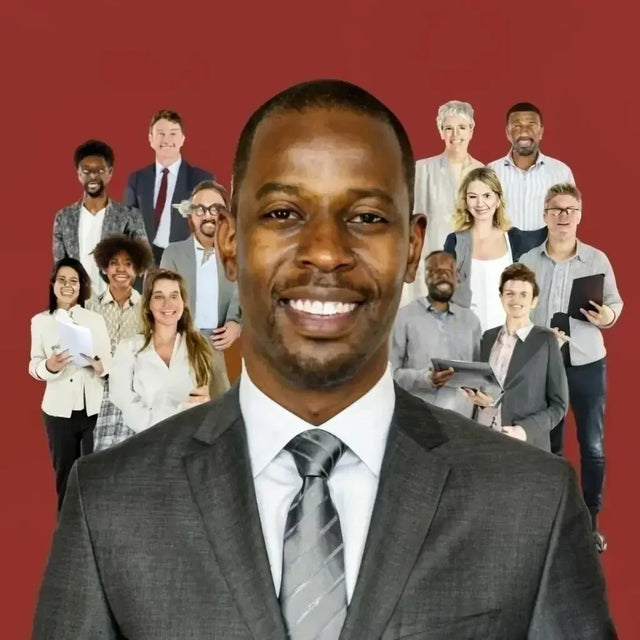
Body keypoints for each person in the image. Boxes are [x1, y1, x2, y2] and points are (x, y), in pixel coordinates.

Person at [33, 80, 615, 639]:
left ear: (413, 248)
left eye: (365, 217)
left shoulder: (532, 506)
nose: (326, 252)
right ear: (230, 243)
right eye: (284, 214)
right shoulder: (108, 505)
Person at [521, 183, 623, 553]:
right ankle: (552, 522)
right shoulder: (529, 262)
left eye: (570, 210)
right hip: (544, 364)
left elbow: (615, 304)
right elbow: (516, 309)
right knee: (549, 446)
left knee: (592, 446)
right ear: (545, 215)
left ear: (580, 215)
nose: (563, 216)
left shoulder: (597, 260)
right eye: (556, 210)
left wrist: (606, 315)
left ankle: (590, 522)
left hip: (587, 363)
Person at [28, 258, 111, 511]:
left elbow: (108, 360)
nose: (67, 285)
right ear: (53, 284)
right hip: (58, 412)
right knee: (65, 476)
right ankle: (67, 536)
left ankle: (92, 532)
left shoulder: (95, 319)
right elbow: (33, 365)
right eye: (62, 280)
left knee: (92, 475)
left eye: (73, 281)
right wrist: (50, 366)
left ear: (81, 287)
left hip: (93, 410)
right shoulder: (41, 321)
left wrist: (99, 365)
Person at [108, 268, 226, 436]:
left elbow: (220, 401)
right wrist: (157, 426)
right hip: (143, 443)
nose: (167, 304)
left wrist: (207, 402)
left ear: (183, 302)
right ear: (148, 304)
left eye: (174, 296)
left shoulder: (202, 347)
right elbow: (121, 397)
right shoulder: (129, 348)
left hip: (189, 444)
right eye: (159, 296)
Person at [464, 263, 569, 451]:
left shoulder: (546, 340)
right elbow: (486, 390)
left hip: (526, 445)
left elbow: (559, 406)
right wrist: (479, 400)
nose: (515, 300)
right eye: (509, 293)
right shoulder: (488, 338)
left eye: (523, 294)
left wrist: (524, 430)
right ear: (501, 297)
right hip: (483, 438)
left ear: (534, 301)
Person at [161, 180, 242, 391]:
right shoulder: (173, 253)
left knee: (220, 417)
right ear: (191, 214)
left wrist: (236, 324)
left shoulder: (239, 254)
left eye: (216, 209)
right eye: (200, 209)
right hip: (182, 346)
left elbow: (245, 293)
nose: (208, 215)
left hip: (222, 348)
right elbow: (161, 299)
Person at [443, 166, 546, 331]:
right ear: (465, 201)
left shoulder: (515, 239)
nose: (480, 203)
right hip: (465, 337)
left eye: (487, 196)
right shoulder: (454, 241)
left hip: (509, 337)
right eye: (472, 197)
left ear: (498, 200)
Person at [400, 100, 483, 307]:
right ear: (441, 132)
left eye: (462, 127)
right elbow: (408, 219)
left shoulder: (484, 172)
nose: (456, 135)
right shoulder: (422, 170)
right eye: (449, 128)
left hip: (472, 261)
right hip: (429, 259)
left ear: (471, 130)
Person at [52, 140, 149, 297]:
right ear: (78, 173)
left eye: (99, 170)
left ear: (110, 172)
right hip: (77, 302)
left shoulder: (129, 216)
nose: (93, 176)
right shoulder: (64, 217)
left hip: (116, 302)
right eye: (86, 171)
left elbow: (144, 263)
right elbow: (60, 267)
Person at [391, 250, 480, 418]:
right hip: (419, 419)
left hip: (464, 422)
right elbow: (391, 375)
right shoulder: (403, 317)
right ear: (425, 276)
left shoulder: (472, 321)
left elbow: (478, 378)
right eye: (436, 271)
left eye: (449, 271)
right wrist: (426, 379)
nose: (443, 276)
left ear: (457, 277)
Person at [86, 235, 154, 450]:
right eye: (114, 263)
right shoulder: (90, 306)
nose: (121, 269)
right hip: (94, 392)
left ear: (138, 269)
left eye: (128, 263)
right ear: (104, 268)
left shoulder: (147, 309)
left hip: (133, 393)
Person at [124, 110, 215, 264]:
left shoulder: (201, 179)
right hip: (146, 262)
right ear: (150, 139)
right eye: (160, 133)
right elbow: (127, 223)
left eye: (173, 133)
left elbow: (210, 224)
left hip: (187, 260)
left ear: (182, 139)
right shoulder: (137, 179)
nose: (166, 139)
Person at [487, 103, 574, 231]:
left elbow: (571, 216)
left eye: (531, 125)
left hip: (547, 250)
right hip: (502, 249)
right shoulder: (491, 171)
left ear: (541, 132)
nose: (524, 131)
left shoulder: (561, 172)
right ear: (507, 132)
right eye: (516, 126)